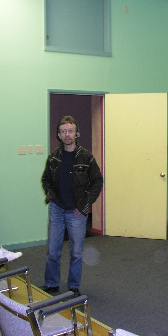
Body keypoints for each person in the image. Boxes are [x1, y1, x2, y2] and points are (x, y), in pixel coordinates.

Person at [41, 116, 103, 297]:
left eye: (70, 131)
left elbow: (97, 182)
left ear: (77, 133)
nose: (67, 135)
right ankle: (51, 284)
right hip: (57, 209)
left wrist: (84, 204)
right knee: (53, 251)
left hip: (76, 212)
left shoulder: (86, 157)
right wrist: (51, 195)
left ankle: (74, 286)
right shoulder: (54, 156)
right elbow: (46, 179)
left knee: (76, 252)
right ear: (59, 135)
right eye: (63, 131)